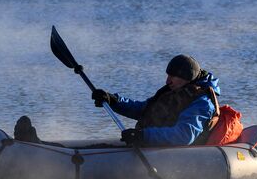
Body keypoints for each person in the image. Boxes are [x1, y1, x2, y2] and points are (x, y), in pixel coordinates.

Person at [92, 54, 221, 146]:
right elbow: (144, 109)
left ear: (186, 77)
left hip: (181, 154)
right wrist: (114, 101)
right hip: (155, 142)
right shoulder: (174, 89)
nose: (167, 81)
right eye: (168, 75)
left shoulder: (202, 102)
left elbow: (184, 135)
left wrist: (143, 136)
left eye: (172, 76)